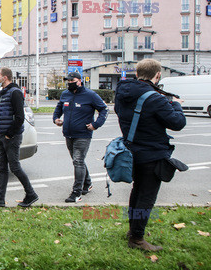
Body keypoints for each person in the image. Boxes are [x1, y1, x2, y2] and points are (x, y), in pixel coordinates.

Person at [115, 59, 186, 251]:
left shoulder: (122, 93)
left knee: (137, 192)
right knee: (146, 197)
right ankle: (137, 239)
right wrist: (177, 105)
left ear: (137, 73)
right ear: (157, 75)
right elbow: (178, 123)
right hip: (152, 154)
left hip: (131, 152)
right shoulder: (156, 98)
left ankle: (133, 231)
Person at [0, 67, 38, 208]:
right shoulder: (2, 93)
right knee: (2, 167)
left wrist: (9, 133)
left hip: (11, 137)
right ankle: (0, 198)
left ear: (5, 77)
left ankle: (31, 194)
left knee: (15, 167)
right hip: (1, 135)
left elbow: (20, 117)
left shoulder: (15, 93)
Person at [53, 72, 108, 203]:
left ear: (79, 81)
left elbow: (104, 110)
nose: (69, 83)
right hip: (68, 133)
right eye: (68, 81)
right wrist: (56, 119)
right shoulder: (65, 94)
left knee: (78, 161)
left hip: (83, 134)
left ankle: (76, 193)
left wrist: (95, 125)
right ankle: (87, 183)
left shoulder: (90, 95)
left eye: (72, 80)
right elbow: (58, 108)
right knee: (78, 161)